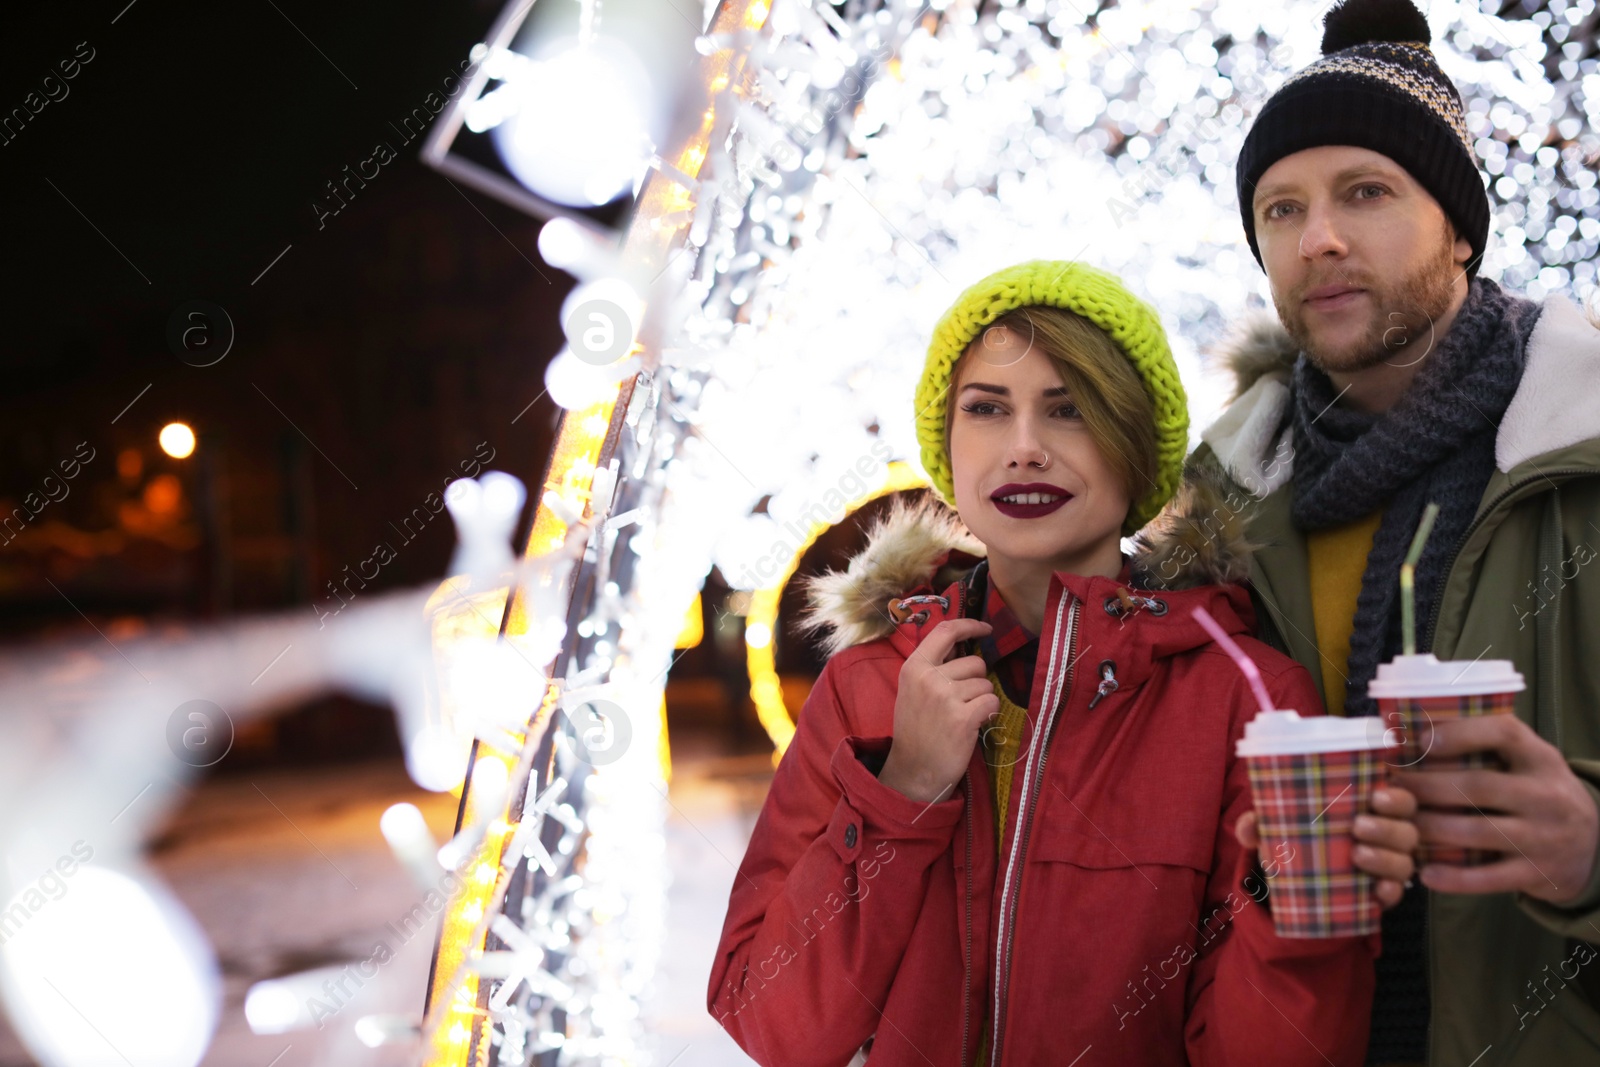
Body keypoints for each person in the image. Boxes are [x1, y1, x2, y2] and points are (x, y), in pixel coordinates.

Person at [707, 260, 1387, 1066]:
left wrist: (1296, 911)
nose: (1024, 448)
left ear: (1136, 450)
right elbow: (771, 1021)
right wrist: (905, 790)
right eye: (988, 410)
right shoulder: (868, 686)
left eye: (1070, 411)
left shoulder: (1249, 698)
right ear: (947, 452)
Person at [1194, 0, 1600, 1062]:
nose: (1316, 238)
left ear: (1459, 227)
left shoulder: (1581, 455)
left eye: (1364, 193)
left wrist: (1591, 855)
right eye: (1278, 210)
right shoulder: (1227, 506)